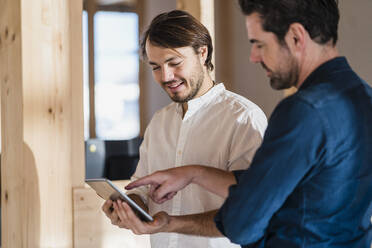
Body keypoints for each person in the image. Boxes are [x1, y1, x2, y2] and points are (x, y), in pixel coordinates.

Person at [111, 1, 372, 247]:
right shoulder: (364, 97)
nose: (254, 57)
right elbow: (282, 186)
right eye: (156, 66)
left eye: (259, 44)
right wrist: (194, 174)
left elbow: (244, 222)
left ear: (295, 37)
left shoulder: (302, 110)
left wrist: (172, 221)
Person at [102, 10, 267, 248]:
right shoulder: (159, 122)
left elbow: (253, 206)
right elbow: (144, 190)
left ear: (203, 53)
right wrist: (129, 206)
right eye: (156, 67)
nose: (166, 76)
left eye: (174, 63)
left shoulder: (244, 119)